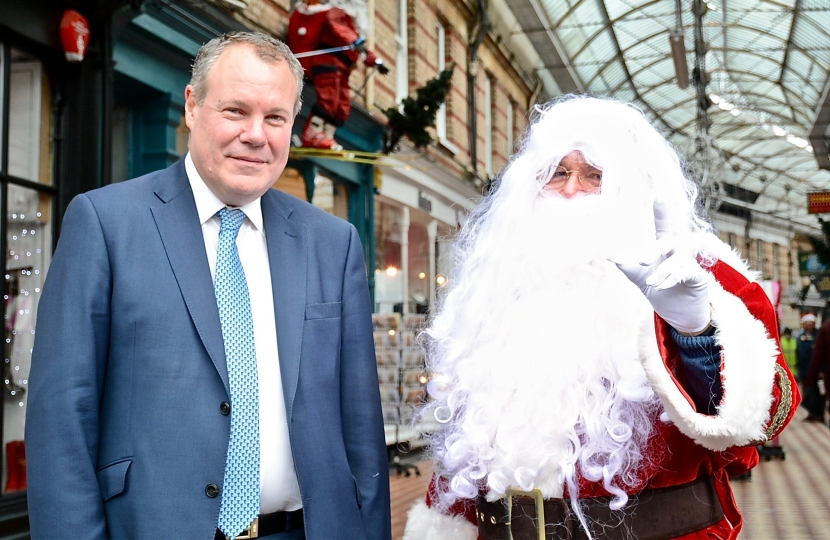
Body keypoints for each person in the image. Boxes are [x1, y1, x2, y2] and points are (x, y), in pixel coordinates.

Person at [25, 32, 390, 540]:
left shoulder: (333, 242)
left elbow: (362, 431)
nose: (257, 135)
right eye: (236, 111)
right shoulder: (106, 223)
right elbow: (62, 417)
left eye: (275, 117)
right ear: (193, 106)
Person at [403, 96, 798, 540]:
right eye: (559, 173)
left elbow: (765, 418)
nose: (572, 190)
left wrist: (697, 333)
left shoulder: (700, 274)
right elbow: (465, 445)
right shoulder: (496, 279)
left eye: (595, 176)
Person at [287, 0, 389, 150]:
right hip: (328, 63)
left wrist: (374, 61)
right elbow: (339, 29)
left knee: (342, 105)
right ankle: (312, 134)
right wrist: (356, 41)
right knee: (329, 99)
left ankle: (327, 136)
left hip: (342, 68)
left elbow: (357, 45)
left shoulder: (350, 21)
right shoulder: (336, 13)